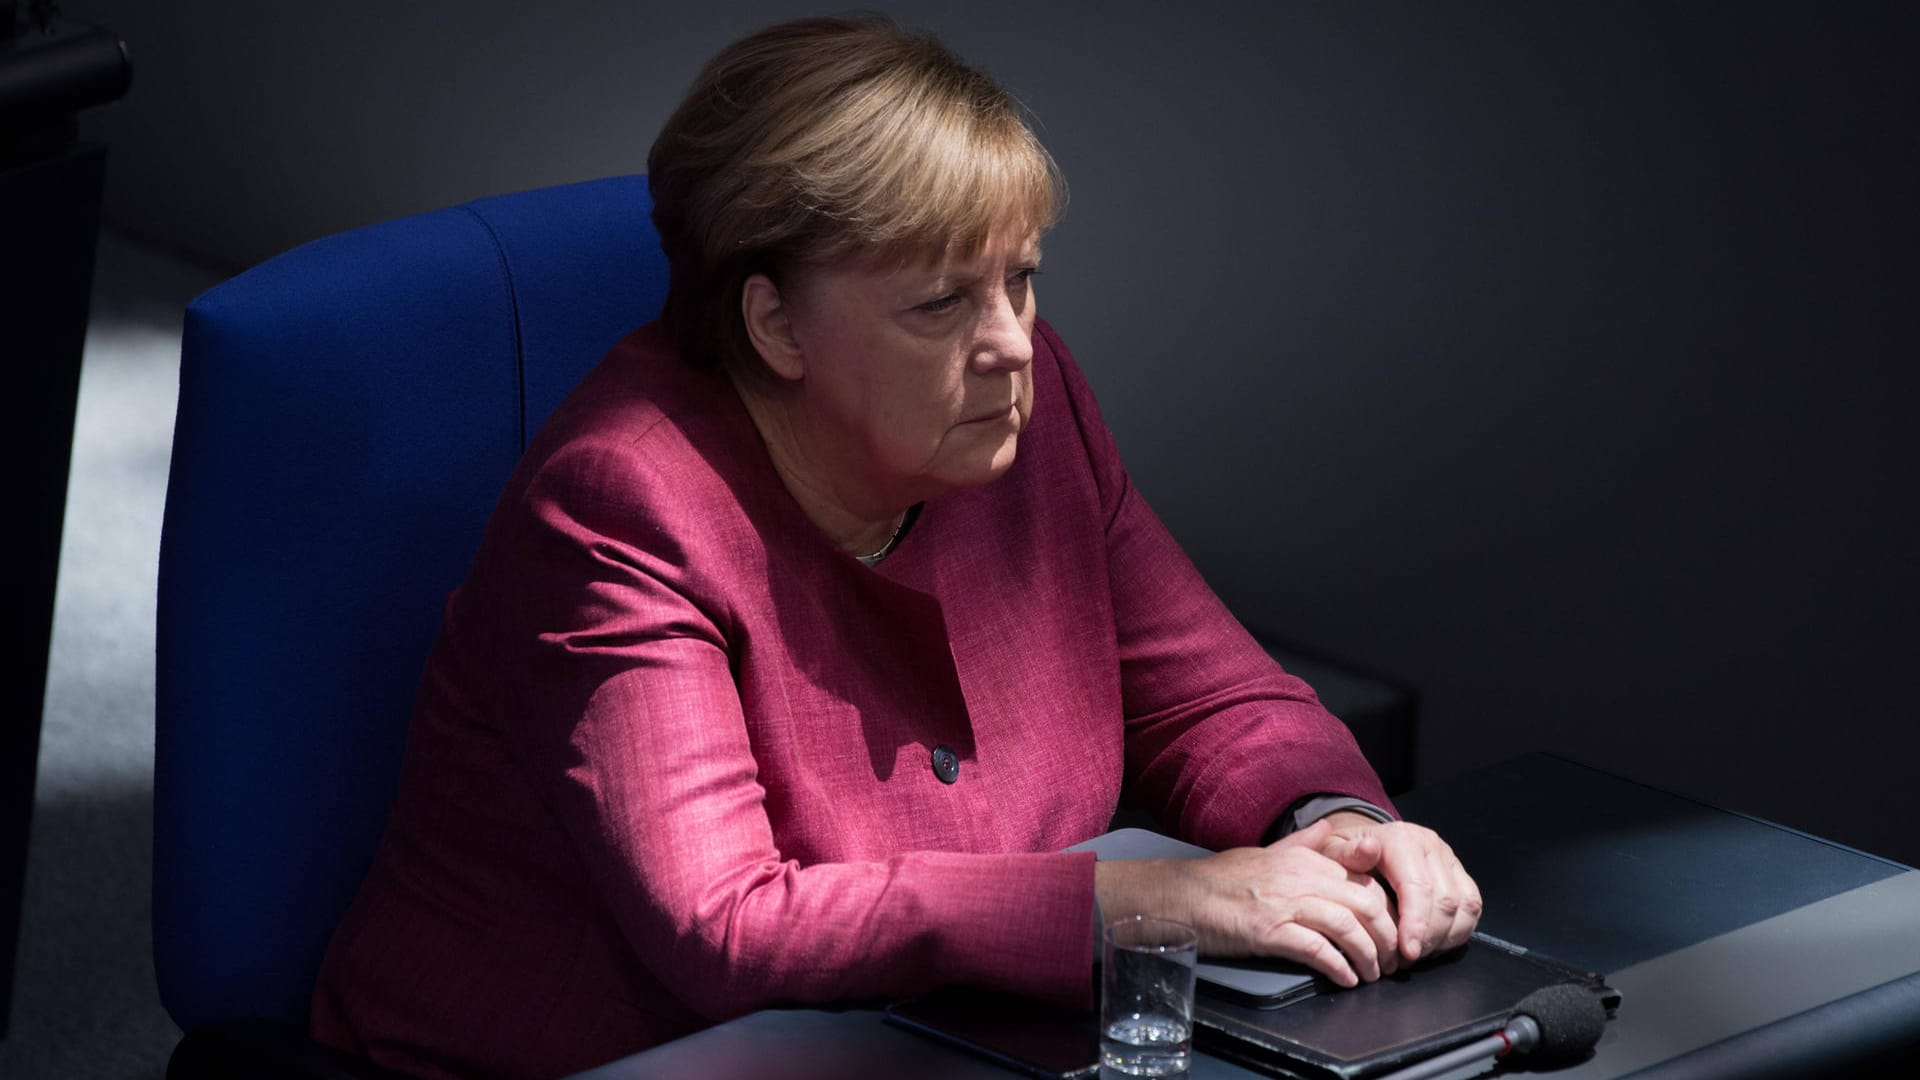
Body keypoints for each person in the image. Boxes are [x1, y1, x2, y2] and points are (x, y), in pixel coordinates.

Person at [310, 15, 1481, 1079]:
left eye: (1020, 279)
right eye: (941, 304)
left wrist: (1338, 823)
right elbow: (729, 924)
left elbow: (1209, 699)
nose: (1013, 343)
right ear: (775, 324)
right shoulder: (622, 508)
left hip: (946, 1041)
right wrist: (1151, 902)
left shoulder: (1026, 414)